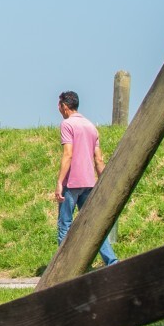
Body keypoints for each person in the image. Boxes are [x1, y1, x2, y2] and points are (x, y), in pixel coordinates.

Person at [55, 91, 118, 267]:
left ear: (65, 107)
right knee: (93, 224)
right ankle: (112, 262)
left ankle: (63, 267)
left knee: (65, 224)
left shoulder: (67, 125)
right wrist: (103, 182)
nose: (58, 108)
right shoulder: (91, 126)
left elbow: (68, 154)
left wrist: (60, 182)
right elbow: (99, 159)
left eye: (59, 105)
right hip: (89, 183)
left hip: (72, 183)